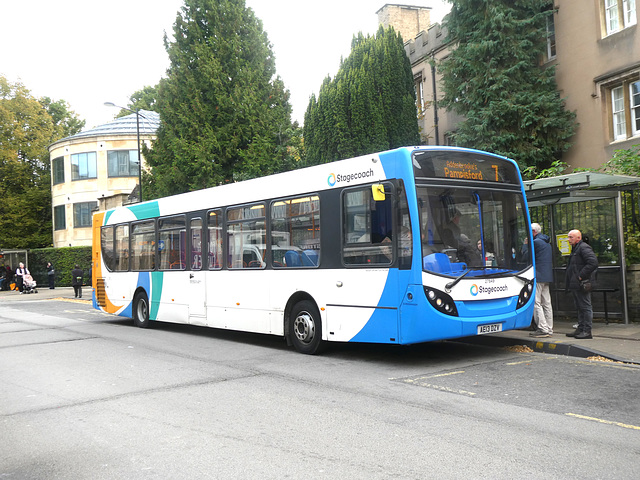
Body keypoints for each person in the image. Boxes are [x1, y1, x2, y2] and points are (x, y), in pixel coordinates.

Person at [565, 229, 598, 339]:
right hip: (576, 282)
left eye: (571, 237)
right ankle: (581, 329)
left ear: (578, 238)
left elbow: (593, 262)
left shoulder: (583, 247)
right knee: (580, 306)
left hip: (582, 282)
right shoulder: (576, 248)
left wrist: (581, 275)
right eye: (569, 237)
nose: (568, 239)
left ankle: (587, 331)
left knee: (585, 306)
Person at [530, 223, 553, 338]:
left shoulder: (535, 243)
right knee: (547, 303)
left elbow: (525, 256)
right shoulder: (546, 242)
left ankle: (543, 328)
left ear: (533, 231)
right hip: (547, 275)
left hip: (538, 275)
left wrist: (525, 245)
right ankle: (549, 328)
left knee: (536, 302)